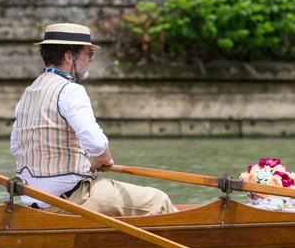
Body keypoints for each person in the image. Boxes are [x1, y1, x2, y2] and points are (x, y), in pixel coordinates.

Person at [10, 23, 177, 216]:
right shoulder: (70, 91)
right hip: (73, 199)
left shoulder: (28, 93)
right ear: (69, 56)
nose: (91, 59)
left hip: (35, 203)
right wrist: (102, 157)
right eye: (88, 53)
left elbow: (16, 146)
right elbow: (96, 143)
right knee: (159, 201)